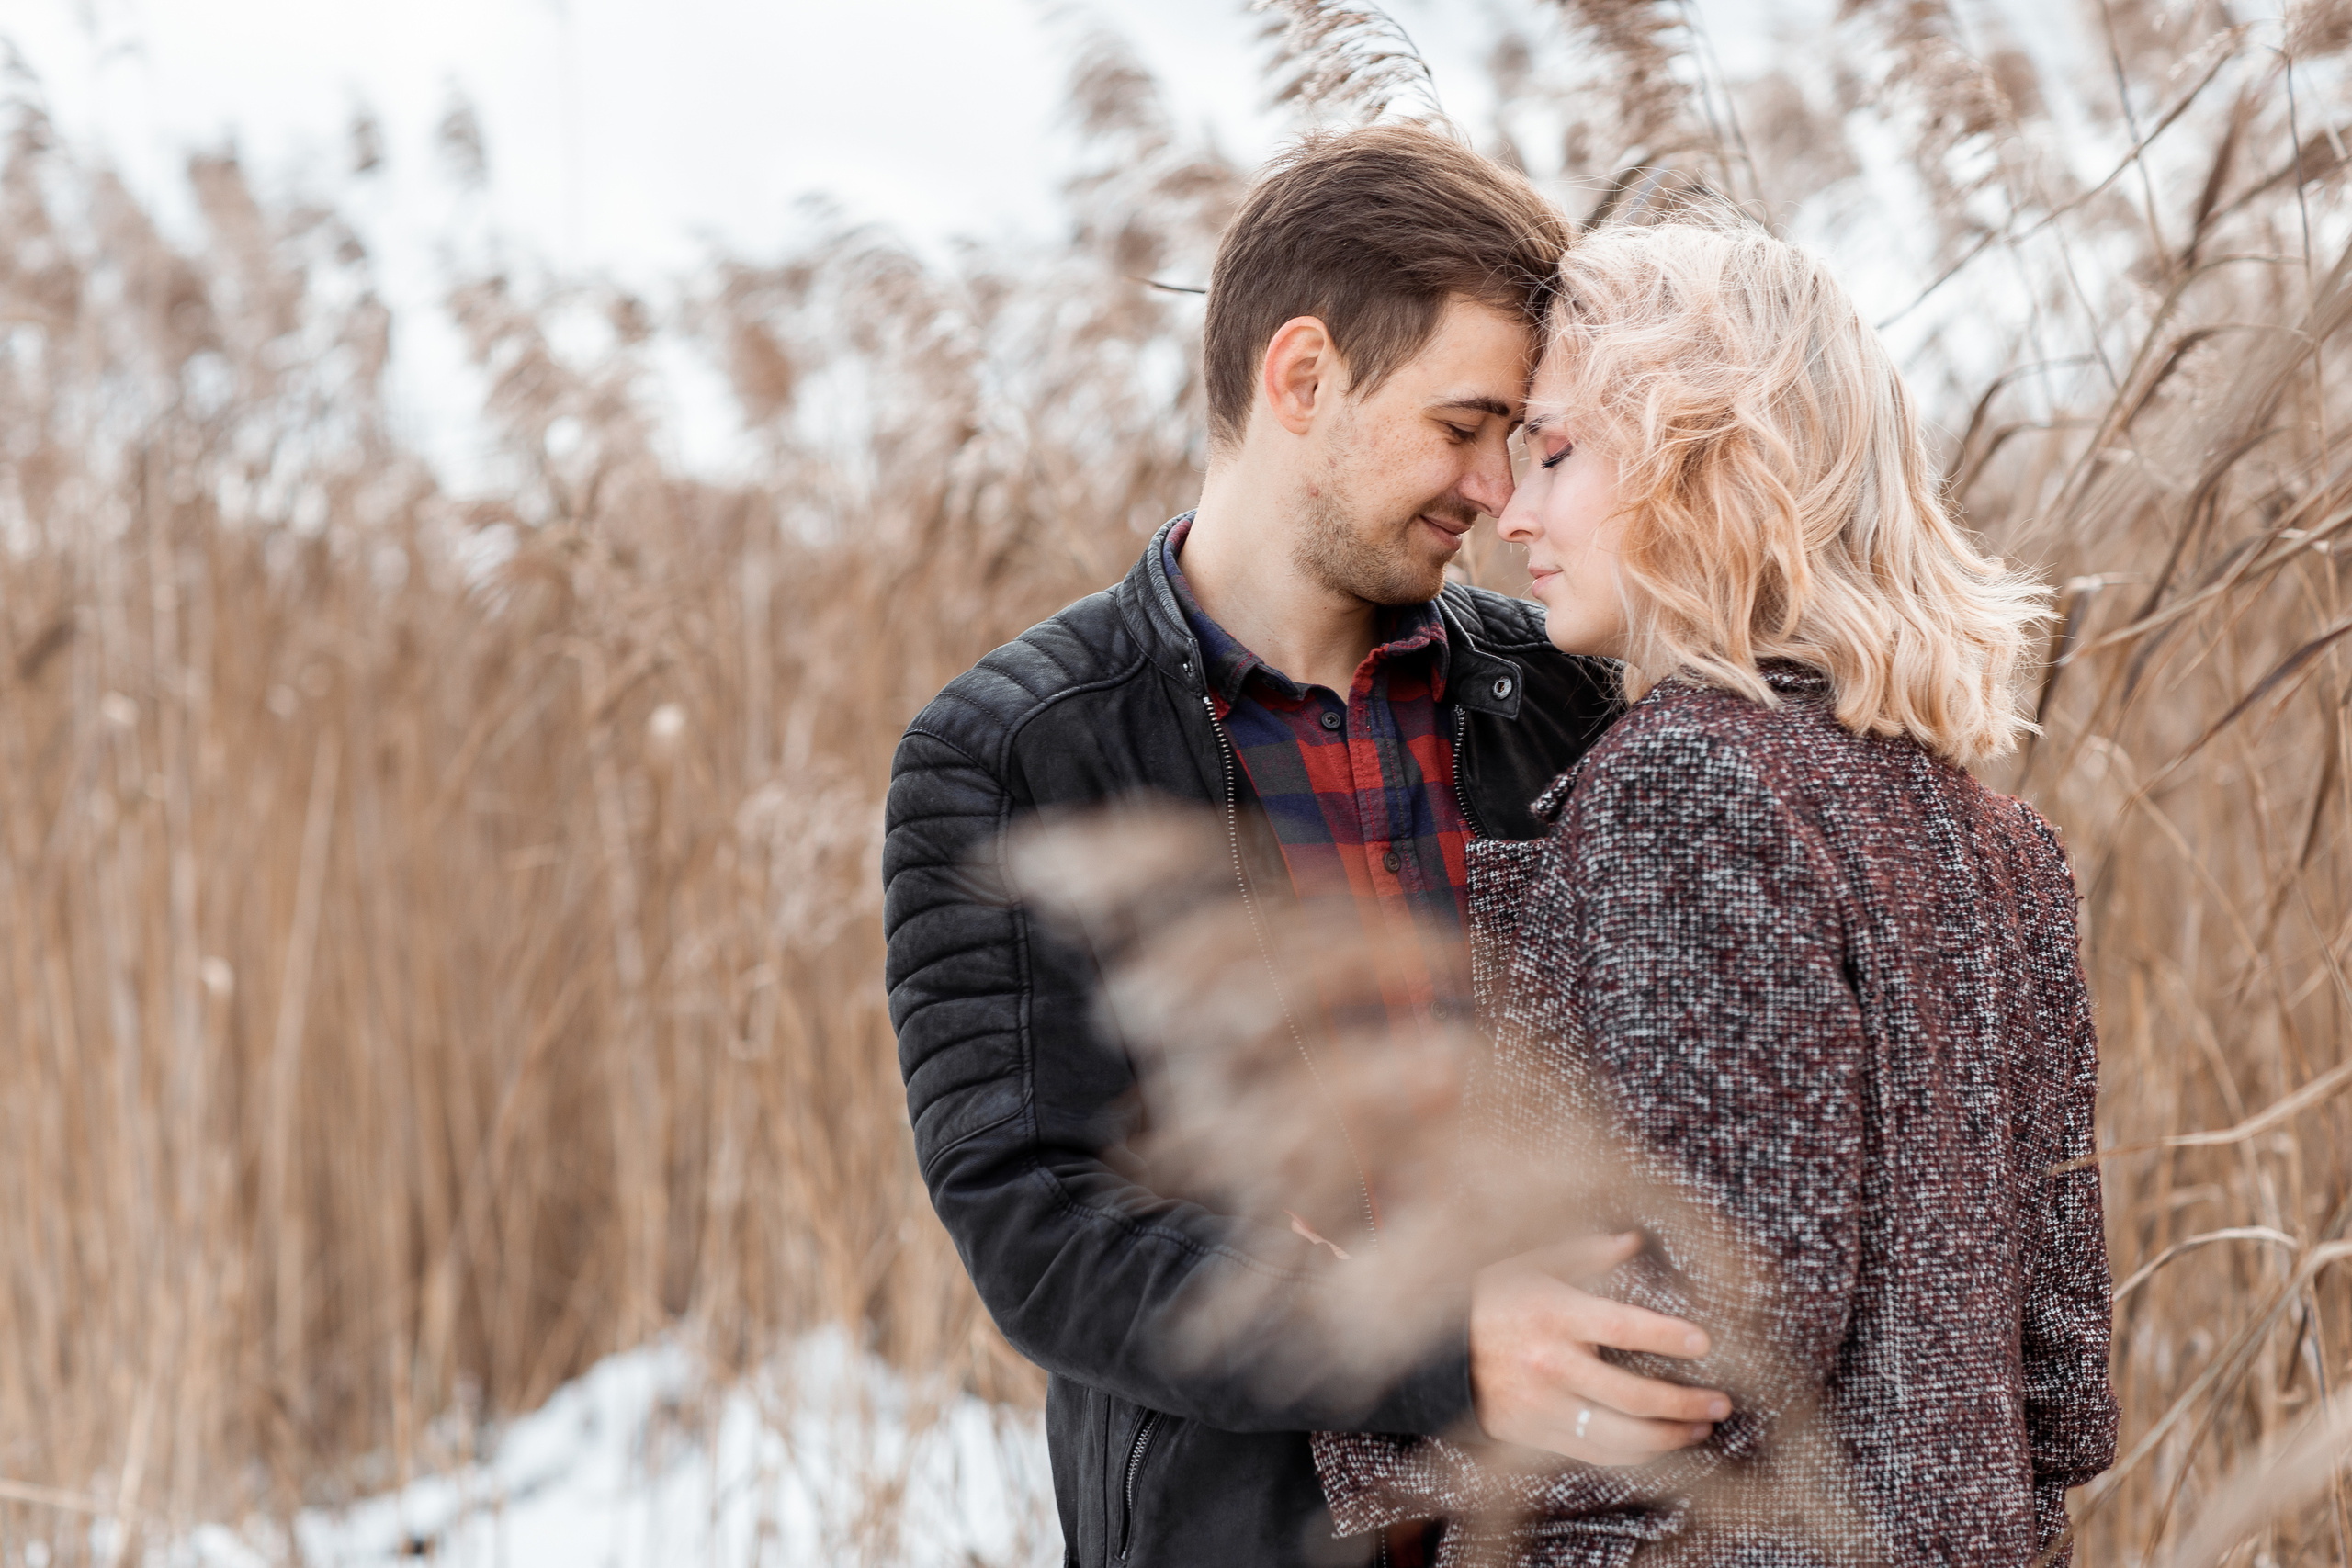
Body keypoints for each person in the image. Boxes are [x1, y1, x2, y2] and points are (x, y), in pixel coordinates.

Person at [882, 127, 1736, 1568]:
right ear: (1301, 378)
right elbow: (1035, 1223)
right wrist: (1437, 1346)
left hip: (1590, 1534)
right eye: (1461, 426)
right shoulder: (1017, 752)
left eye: (1523, 441)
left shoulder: (1576, 694)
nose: (1493, 490)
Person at [1314, 220, 2120, 1564]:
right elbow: (2063, 1384)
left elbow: (1715, 1336)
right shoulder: (1998, 843)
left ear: (1711, 470)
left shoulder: (1689, 779)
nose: (1514, 510)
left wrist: (1353, 1401)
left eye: (1560, 454)